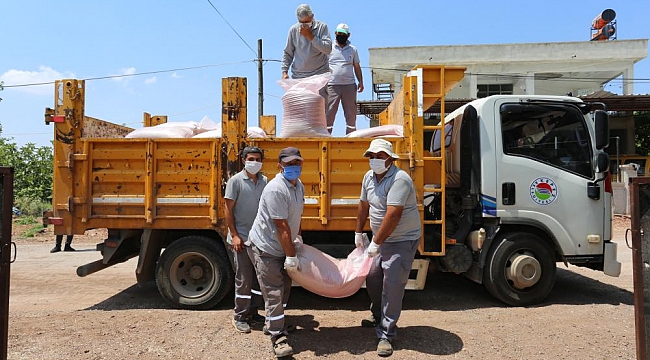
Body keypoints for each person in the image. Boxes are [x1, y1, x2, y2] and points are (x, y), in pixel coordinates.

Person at [354, 139, 422, 357]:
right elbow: (363, 205)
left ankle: (387, 334)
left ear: (391, 159)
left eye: (380, 156)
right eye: (372, 156)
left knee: (392, 284)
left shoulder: (400, 179)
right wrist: (358, 232)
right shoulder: (368, 177)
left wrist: (376, 242)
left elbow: (393, 214)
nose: (375, 160)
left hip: (401, 239)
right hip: (380, 238)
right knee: (373, 278)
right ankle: (378, 315)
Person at [248, 147, 305, 358]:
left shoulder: (299, 186)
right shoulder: (275, 189)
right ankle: (277, 337)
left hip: (283, 244)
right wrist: (291, 256)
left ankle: (275, 322)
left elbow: (295, 217)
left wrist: (298, 239)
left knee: (285, 288)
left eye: (296, 163)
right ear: (279, 166)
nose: (293, 167)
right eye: (289, 164)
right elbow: (281, 226)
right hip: (267, 248)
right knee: (273, 290)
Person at [225, 146, 268, 334]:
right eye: (251, 158)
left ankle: (253, 312)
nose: (255, 162)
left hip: (258, 239)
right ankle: (240, 316)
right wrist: (235, 235)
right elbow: (228, 210)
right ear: (243, 160)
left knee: (258, 279)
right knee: (243, 279)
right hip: (241, 239)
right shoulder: (235, 181)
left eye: (258, 159)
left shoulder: (265, 181)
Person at [281, 4, 332, 105]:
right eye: (301, 22)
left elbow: (327, 49)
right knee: (301, 109)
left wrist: (310, 36)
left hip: (319, 77)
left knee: (319, 110)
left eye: (306, 22)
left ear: (312, 16)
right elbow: (288, 53)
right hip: (299, 77)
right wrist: (284, 71)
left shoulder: (322, 27)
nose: (304, 25)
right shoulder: (293, 30)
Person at [326, 23, 364, 135]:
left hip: (349, 85)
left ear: (348, 35)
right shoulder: (328, 48)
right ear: (335, 33)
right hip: (332, 85)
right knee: (329, 112)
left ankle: (351, 136)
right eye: (339, 33)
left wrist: (361, 81)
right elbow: (322, 65)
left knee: (351, 113)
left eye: (343, 34)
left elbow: (357, 66)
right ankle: (326, 136)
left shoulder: (353, 50)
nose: (341, 35)